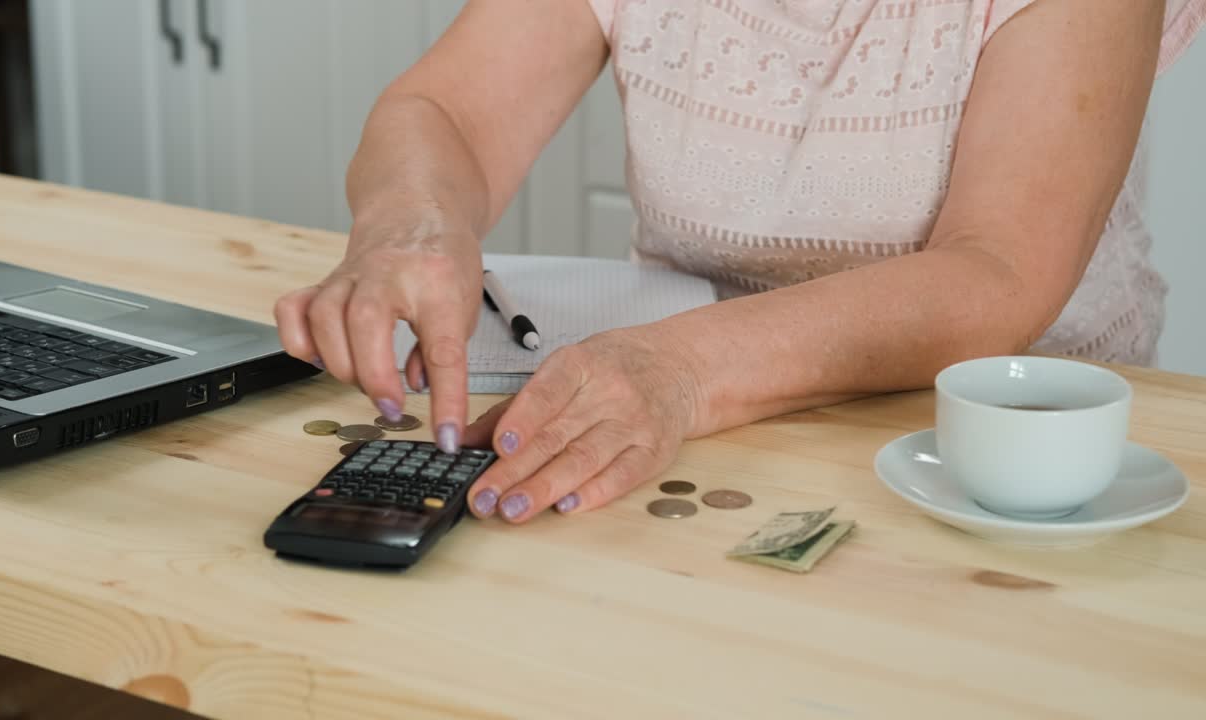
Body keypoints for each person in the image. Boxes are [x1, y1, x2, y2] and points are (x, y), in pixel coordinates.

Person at [275, 0, 1204, 525]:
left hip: (1008, 469)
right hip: (709, 436)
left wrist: (681, 369)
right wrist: (413, 218)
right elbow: (446, 113)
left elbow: (999, 271)